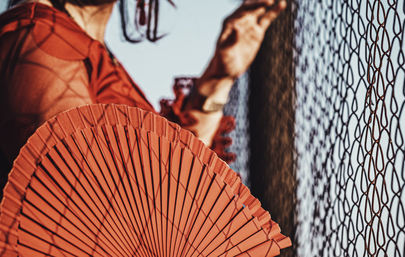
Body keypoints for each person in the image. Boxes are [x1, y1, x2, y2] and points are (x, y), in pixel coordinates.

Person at [0, 0, 286, 190]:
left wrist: (218, 76)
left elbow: (167, 177)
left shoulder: (88, 51)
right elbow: (95, 202)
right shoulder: (40, 39)